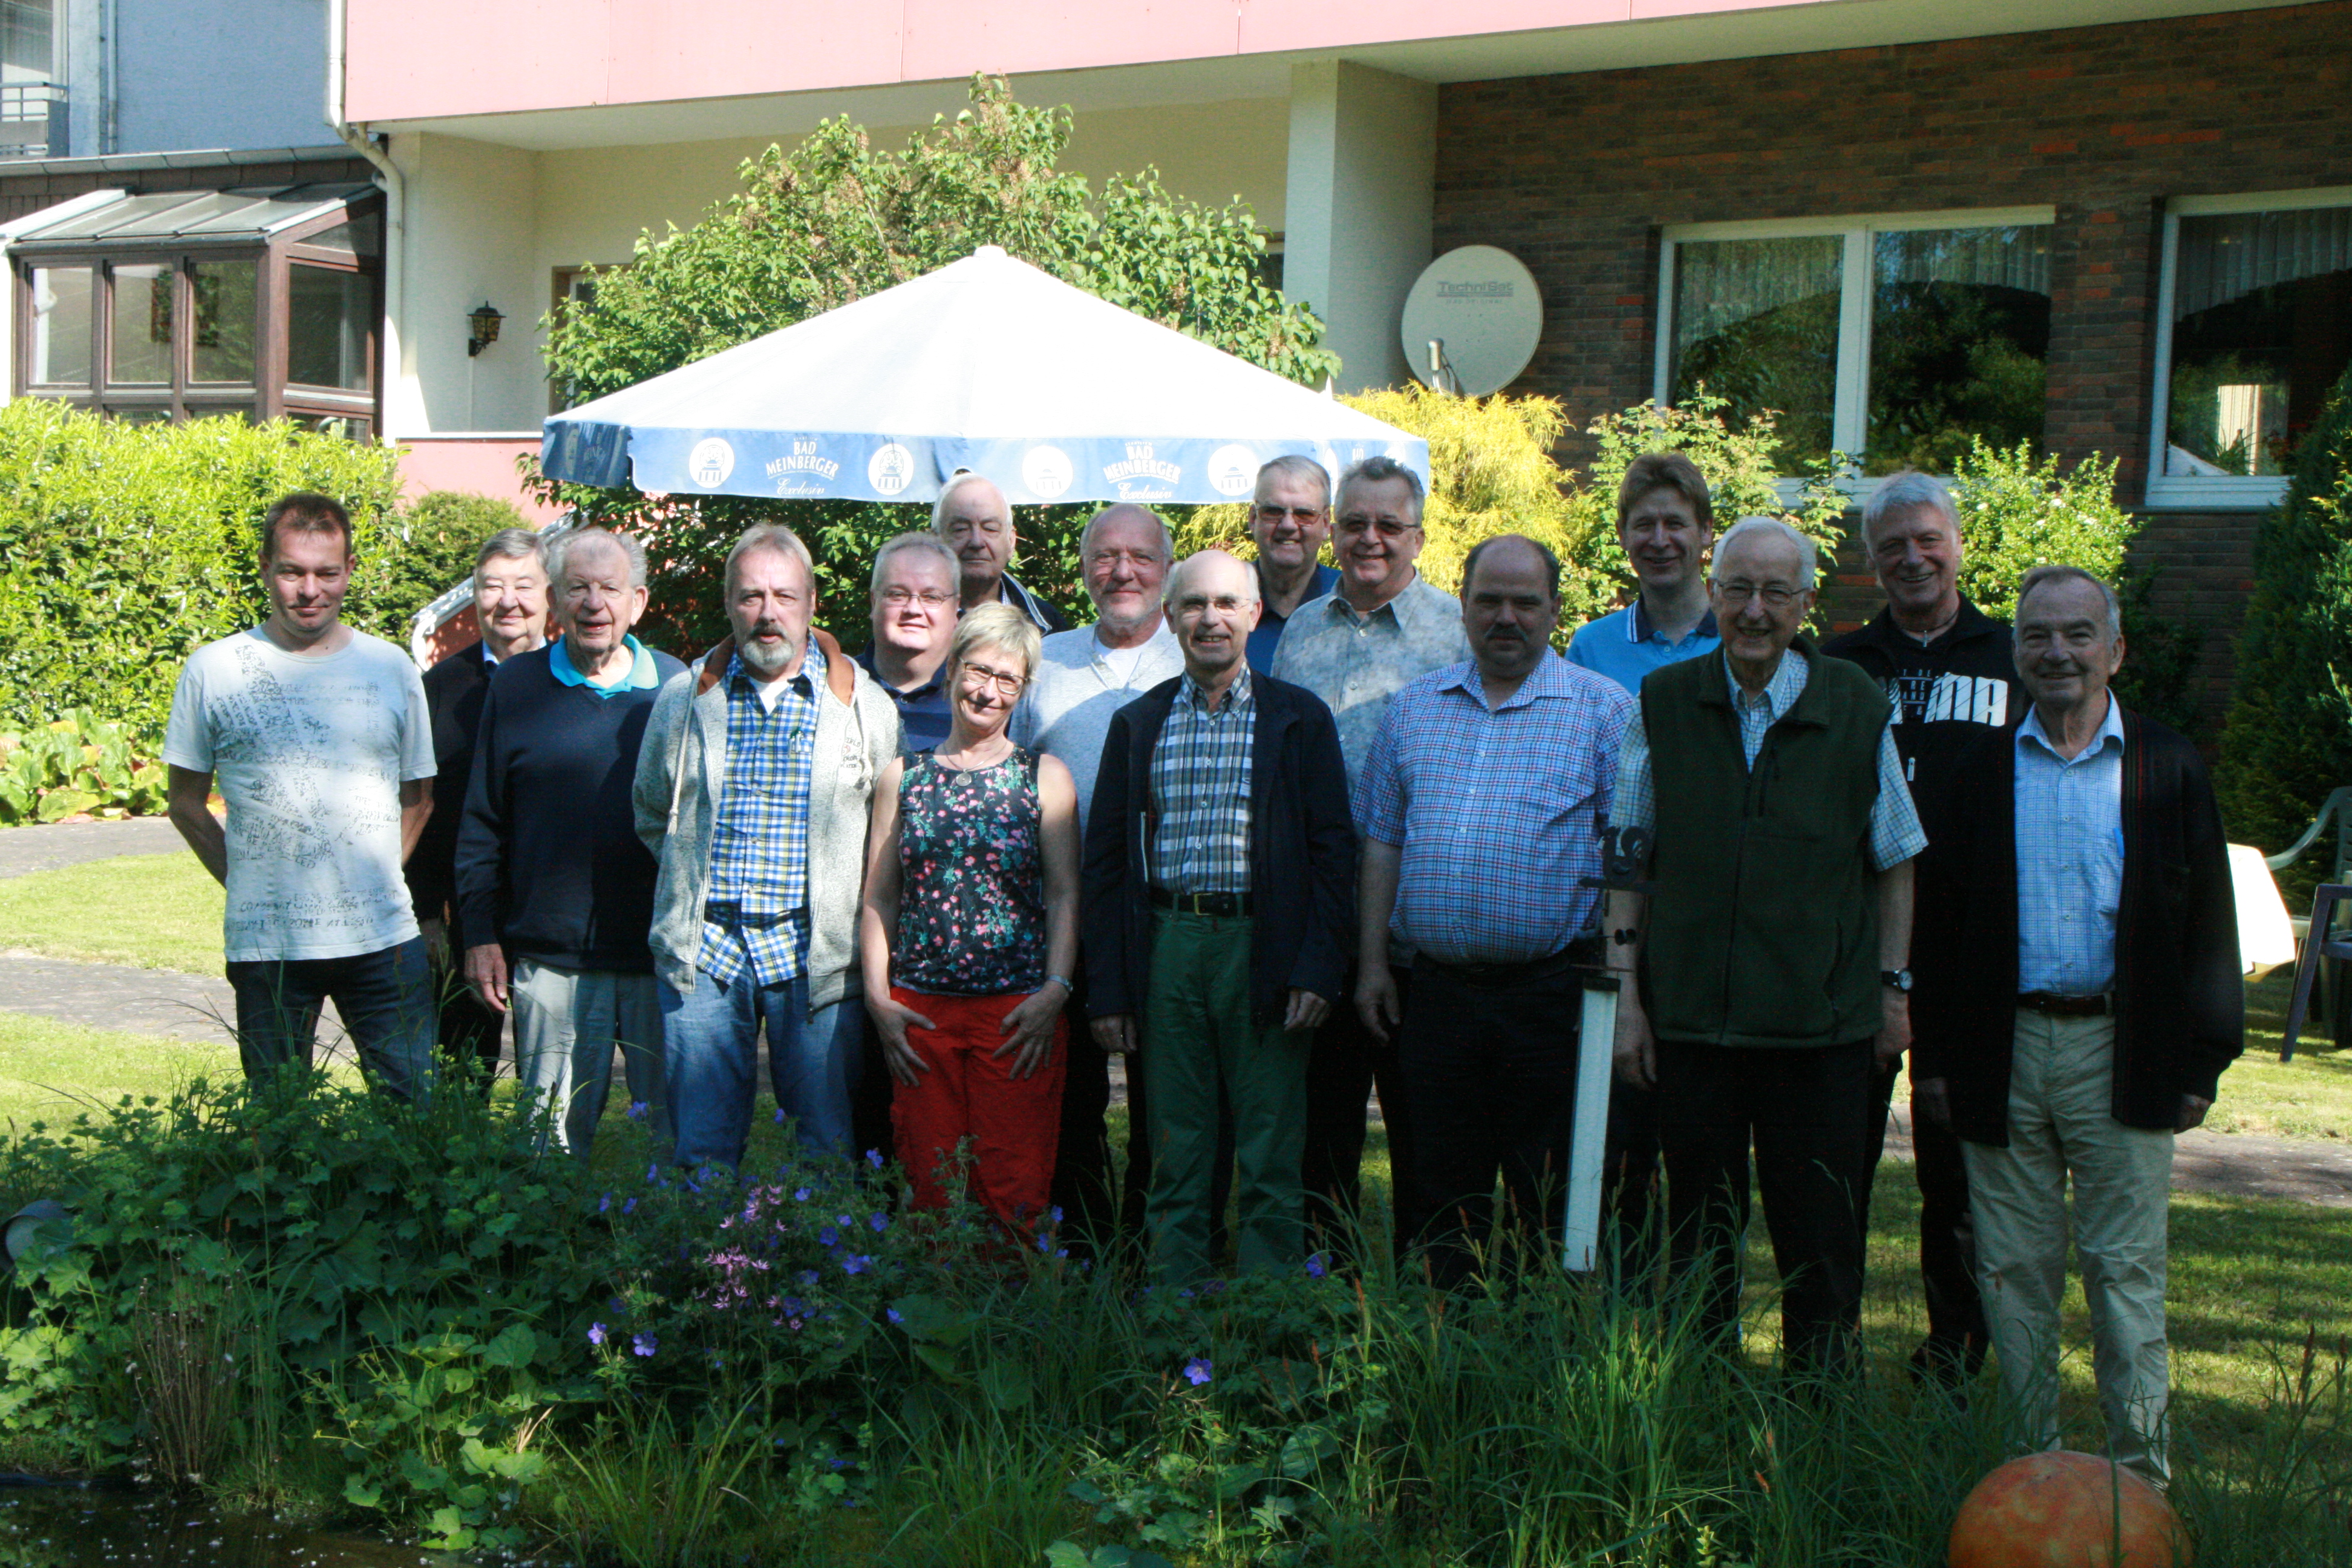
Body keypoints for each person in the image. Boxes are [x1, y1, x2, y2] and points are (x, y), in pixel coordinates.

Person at [1913, 566, 2240, 1482]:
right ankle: (2033, 1476)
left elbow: (2208, 921)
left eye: (2078, 634)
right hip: (2000, 1047)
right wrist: (1935, 1056)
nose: (2057, 652)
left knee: (2124, 1275)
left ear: (2115, 650)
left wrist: (2200, 1063)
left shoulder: (2167, 766)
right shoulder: (1978, 772)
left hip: (2120, 1049)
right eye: (2037, 636)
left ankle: (2142, 1483)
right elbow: (1939, 927)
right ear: (2017, 650)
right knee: (2014, 1276)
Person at [1602, 515, 1924, 1379]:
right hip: (1694, 1026)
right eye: (1738, 588)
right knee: (1699, 1236)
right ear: (1713, 593)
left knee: (1821, 1239)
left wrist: (1894, 990)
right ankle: (1701, 1409)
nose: (1754, 610)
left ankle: (1819, 1426)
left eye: (1776, 592)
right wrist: (1629, 999)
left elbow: (1896, 857)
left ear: (1806, 603)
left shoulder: (1856, 704)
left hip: (1819, 1031)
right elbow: (1628, 858)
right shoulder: (1665, 703)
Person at [1354, 535, 1634, 1287]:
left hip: (1551, 995)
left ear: (1553, 610)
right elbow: (1381, 842)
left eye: (1525, 602)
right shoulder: (1415, 708)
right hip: (1436, 993)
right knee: (1440, 1186)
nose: (1505, 617)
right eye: (1489, 601)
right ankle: (1451, 1350)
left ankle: (1543, 1353)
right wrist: (1373, 963)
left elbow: (1629, 862)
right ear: (1465, 606)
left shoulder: (1605, 712)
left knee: (1548, 1190)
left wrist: (1623, 983)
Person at [1084, 550, 1354, 1284]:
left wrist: (1320, 968)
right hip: (1168, 945)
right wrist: (1107, 987)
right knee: (1176, 1143)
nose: (1211, 618)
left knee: (1270, 1148)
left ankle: (1270, 1321)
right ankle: (1175, 1314)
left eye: (1228, 604)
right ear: (1170, 618)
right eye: (1195, 605)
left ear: (1254, 616)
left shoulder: (1299, 720)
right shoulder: (1137, 724)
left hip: (1262, 947)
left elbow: (1336, 856)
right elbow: (1106, 863)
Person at [1823, 469, 2021, 1387]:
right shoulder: (1841, 665)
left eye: (1926, 539)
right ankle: (1829, 1339)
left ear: (1956, 545)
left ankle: (1956, 1351)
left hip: (1973, 950)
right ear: (1870, 562)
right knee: (1838, 1160)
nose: (1911, 558)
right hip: (1855, 947)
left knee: (1959, 1171)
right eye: (1891, 545)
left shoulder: (2012, 658)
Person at [634, 523, 902, 1169]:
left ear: (812, 603)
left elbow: (884, 842)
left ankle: (819, 1271)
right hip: (707, 956)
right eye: (751, 596)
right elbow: (651, 811)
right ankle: (709, 1268)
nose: (767, 612)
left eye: (784, 596)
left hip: (816, 960)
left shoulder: (865, 706)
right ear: (729, 603)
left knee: (827, 1150)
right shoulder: (685, 700)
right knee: (701, 1151)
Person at [163, 492, 439, 1101]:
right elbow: (184, 803)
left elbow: (418, 797)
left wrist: (372, 877)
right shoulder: (214, 670)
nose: (309, 589)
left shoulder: (390, 669)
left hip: (383, 941)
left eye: (326, 573)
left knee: (415, 1115)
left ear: (349, 573)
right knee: (280, 1121)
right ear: (265, 569)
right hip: (270, 944)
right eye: (292, 572)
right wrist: (246, 880)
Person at [1272, 454, 1468, 1267]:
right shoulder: (1298, 633)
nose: (1370, 539)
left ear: (1418, 536)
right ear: (1332, 529)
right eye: (1354, 523)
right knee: (1324, 1136)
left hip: (1423, 927)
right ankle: (1330, 1303)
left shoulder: (1455, 630)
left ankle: (1430, 1308)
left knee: (1430, 1135)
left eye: (1389, 525)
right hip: (1325, 924)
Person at [455, 527, 684, 1160]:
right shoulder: (517, 687)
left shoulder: (676, 687)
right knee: (548, 1146)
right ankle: (553, 1249)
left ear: (637, 601)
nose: (593, 604)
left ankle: (673, 1253)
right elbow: (482, 820)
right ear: (554, 601)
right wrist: (479, 932)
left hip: (656, 954)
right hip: (550, 957)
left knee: (670, 1141)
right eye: (578, 588)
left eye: (608, 589)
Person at [860, 603, 1081, 1237]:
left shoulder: (1044, 778)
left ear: (1022, 691)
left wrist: (1055, 993)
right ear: (951, 669)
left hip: (1015, 1017)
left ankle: (1016, 1324)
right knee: (932, 1182)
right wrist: (878, 998)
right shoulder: (904, 777)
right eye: (977, 670)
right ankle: (938, 1318)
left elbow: (1066, 895)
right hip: (920, 1015)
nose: (987, 690)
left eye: (1006, 679)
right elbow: (879, 897)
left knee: (1014, 1181)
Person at [1009, 504, 1189, 1259]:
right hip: (1066, 916)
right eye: (1106, 556)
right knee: (1072, 1098)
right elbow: (1009, 773)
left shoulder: (1200, 651)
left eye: (1141, 557)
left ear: (1168, 571)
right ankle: (1084, 1254)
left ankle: (1156, 1256)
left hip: (1167, 916)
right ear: (1084, 570)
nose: (1123, 572)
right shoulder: (1044, 661)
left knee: (1164, 1102)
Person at [1564, 451, 1722, 1276]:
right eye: (1642, 524)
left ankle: (1697, 1296)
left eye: (1675, 523)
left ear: (1704, 535)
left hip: (1710, 915)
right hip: (1618, 913)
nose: (1659, 539)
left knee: (1699, 1129)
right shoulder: (1592, 648)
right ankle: (1618, 1299)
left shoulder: (1741, 630)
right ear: (1623, 537)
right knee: (1617, 1127)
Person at [407, 527, 549, 1093]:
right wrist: (424, 912)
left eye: (523, 585)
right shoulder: (439, 688)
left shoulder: (573, 679)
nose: (507, 600)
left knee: (557, 1070)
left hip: (548, 907)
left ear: (550, 596)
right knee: (464, 1070)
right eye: (491, 586)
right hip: (462, 911)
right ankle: (463, 1169)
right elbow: (419, 803)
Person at [855, 532, 962, 755]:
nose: (913, 609)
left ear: (955, 609)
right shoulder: (839, 687)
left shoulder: (978, 698)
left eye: (932, 597)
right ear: (874, 602)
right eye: (897, 595)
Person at [935, 471, 1073, 635]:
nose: (977, 542)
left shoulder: (1048, 625)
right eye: (961, 529)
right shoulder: (912, 619)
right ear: (935, 540)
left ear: (1011, 542)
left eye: (990, 529)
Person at [1243, 456, 1339, 674]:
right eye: (1273, 512)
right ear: (1253, 519)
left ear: (1326, 524)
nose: (1288, 525)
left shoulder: (1351, 601)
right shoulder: (1224, 602)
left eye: (1304, 514)